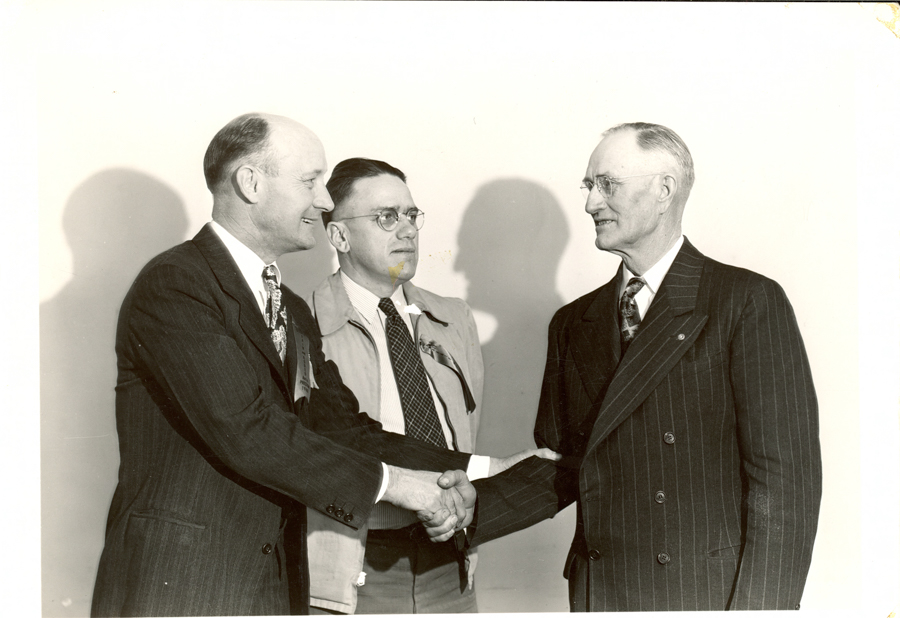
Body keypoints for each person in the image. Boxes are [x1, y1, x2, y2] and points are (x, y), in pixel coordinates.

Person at [90, 113, 478, 617]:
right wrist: (405, 487)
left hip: (275, 586)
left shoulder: (291, 309)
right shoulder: (175, 285)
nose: (324, 200)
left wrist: (476, 470)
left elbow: (344, 429)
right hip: (185, 585)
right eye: (310, 181)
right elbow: (247, 429)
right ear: (251, 183)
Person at [444, 122, 823, 611]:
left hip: (705, 594)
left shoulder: (744, 301)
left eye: (607, 184)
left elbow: (785, 486)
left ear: (664, 190)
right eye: (588, 186)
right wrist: (475, 508)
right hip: (602, 592)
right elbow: (562, 465)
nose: (590, 204)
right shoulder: (572, 323)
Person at [305, 158, 556, 614]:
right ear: (339, 236)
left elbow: (465, 427)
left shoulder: (453, 319)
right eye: (386, 217)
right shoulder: (305, 328)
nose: (407, 230)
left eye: (411, 215)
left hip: (450, 559)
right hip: (358, 561)